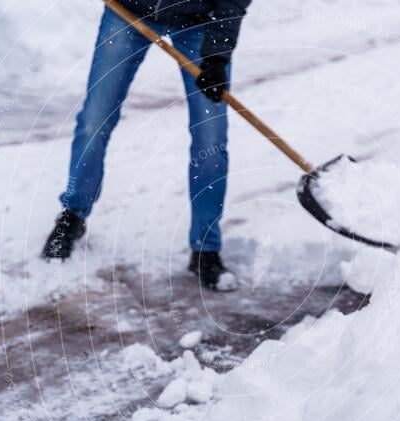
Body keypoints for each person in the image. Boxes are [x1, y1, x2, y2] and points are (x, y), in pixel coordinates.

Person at [42, 0, 252, 291]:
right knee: (94, 121)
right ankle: (73, 214)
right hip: (129, 10)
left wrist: (216, 56)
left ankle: (206, 246)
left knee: (211, 135)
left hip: (200, 21)